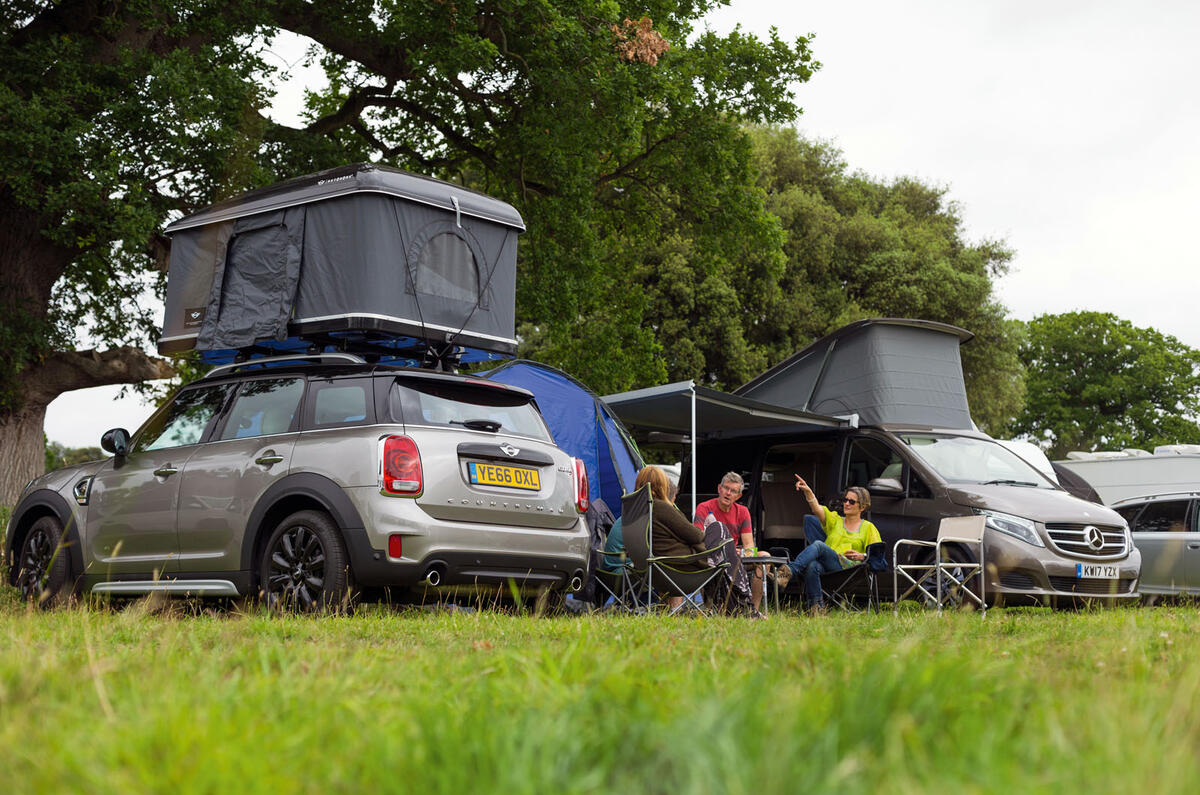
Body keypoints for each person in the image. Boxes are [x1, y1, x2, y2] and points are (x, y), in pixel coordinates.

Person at [778, 476, 882, 613]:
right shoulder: (835, 520)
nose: (847, 504)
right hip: (829, 566)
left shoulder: (868, 527)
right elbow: (816, 509)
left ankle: (789, 571)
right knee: (812, 565)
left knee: (819, 545)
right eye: (845, 500)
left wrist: (862, 556)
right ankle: (817, 607)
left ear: (862, 507)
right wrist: (808, 491)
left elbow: (877, 554)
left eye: (851, 501)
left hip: (849, 571)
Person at [693, 472, 770, 612]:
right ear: (719, 489)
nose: (728, 493)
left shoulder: (743, 511)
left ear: (739, 496)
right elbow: (698, 540)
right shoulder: (704, 508)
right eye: (726, 488)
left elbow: (749, 546)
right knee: (706, 561)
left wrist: (738, 552)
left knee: (765, 557)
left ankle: (753, 610)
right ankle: (710, 609)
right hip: (710, 556)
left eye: (733, 491)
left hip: (735, 557)